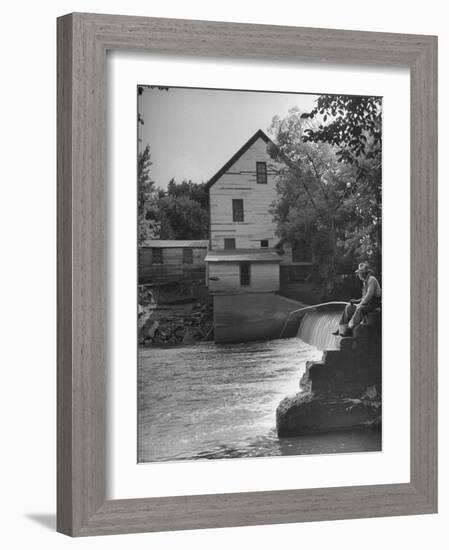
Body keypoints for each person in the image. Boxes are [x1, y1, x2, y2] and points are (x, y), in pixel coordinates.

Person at [332, 262, 381, 337]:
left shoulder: (371, 280)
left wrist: (360, 304)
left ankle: (349, 328)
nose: (359, 275)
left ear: (364, 273)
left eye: (360, 273)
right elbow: (364, 297)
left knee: (359, 309)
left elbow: (369, 295)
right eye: (359, 273)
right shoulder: (365, 282)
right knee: (349, 307)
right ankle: (341, 329)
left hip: (374, 305)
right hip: (366, 304)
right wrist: (356, 301)